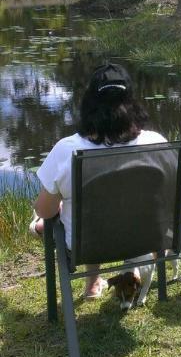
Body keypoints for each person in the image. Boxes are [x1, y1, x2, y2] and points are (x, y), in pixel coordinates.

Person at [32, 63, 167, 298]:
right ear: (131, 102)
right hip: (147, 239)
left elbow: (45, 209)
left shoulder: (67, 150)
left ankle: (41, 231)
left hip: (88, 246)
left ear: (89, 105)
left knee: (54, 214)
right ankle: (94, 283)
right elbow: (165, 197)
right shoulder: (156, 142)